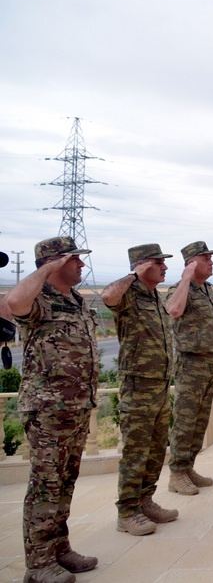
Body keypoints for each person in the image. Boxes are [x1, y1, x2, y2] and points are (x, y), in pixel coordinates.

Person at [5, 237, 99, 583]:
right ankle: (39, 563)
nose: (82, 265)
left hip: (75, 407)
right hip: (46, 409)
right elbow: (13, 302)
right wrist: (46, 269)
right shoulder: (39, 299)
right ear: (57, 263)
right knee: (46, 485)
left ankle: (61, 549)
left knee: (65, 482)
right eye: (75, 260)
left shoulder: (74, 299)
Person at [101, 244, 178, 536]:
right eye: (160, 263)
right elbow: (107, 296)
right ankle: (127, 512)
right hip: (138, 386)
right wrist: (134, 274)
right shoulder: (128, 294)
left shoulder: (153, 297)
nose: (165, 268)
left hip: (159, 384)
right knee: (136, 450)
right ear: (144, 265)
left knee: (157, 447)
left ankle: (146, 501)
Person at [165, 241, 213, 495]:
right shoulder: (180, 290)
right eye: (206, 258)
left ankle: (188, 467)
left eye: (211, 258)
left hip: (210, 363)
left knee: (200, 420)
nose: (211, 263)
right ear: (192, 263)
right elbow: (174, 310)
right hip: (191, 364)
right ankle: (176, 473)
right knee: (186, 420)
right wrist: (186, 279)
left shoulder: (208, 290)